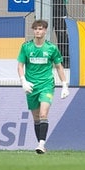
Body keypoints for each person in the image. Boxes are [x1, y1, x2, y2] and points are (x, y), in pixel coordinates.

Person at [17, 19, 69, 154]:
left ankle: (41, 144)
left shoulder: (51, 48)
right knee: (36, 118)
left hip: (46, 85)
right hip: (31, 86)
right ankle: (40, 143)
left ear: (45, 31)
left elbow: (59, 67)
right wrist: (23, 81)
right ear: (33, 31)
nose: (38, 31)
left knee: (43, 113)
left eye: (40, 29)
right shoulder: (26, 47)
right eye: (36, 29)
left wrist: (64, 85)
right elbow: (20, 65)